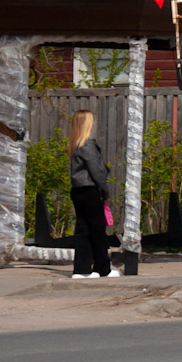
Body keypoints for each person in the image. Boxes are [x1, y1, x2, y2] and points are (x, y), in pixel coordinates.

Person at [68, 109, 117, 278]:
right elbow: (97, 171)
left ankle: (81, 269)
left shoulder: (75, 145)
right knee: (97, 231)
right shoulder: (88, 145)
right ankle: (102, 268)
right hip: (90, 190)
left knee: (83, 230)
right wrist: (105, 191)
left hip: (78, 190)